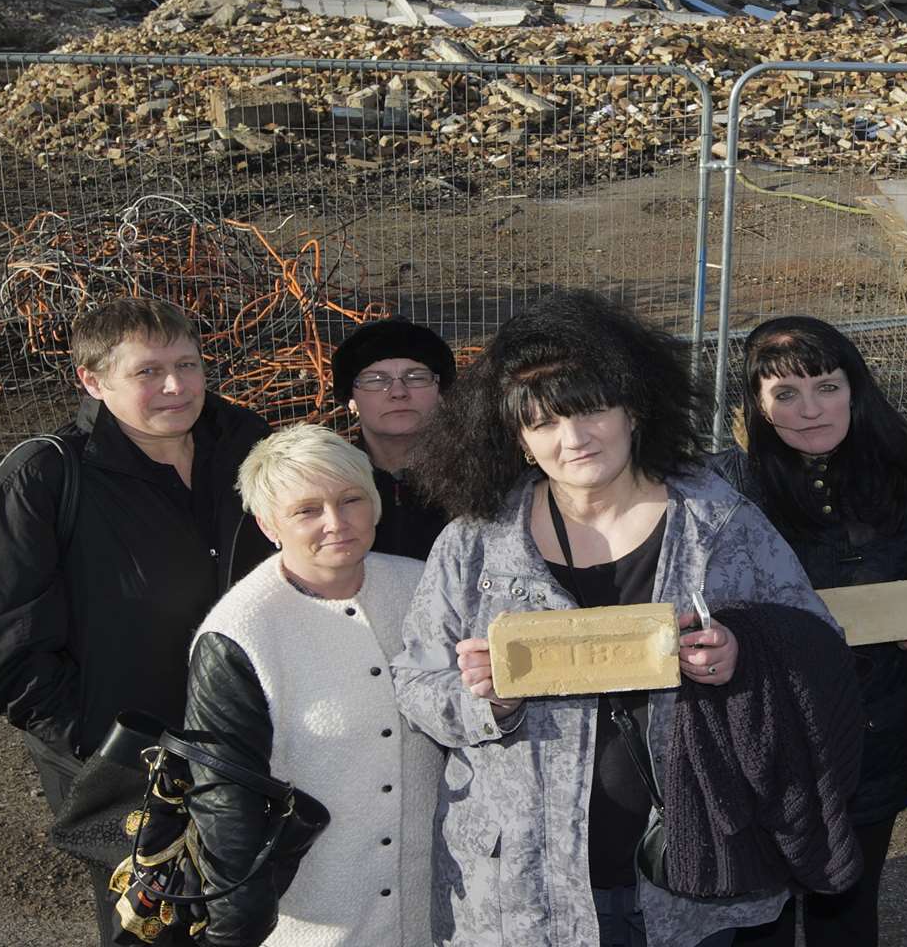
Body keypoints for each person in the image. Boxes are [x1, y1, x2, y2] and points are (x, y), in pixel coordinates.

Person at [392, 289, 849, 947]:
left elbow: (817, 645)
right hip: (524, 887)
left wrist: (740, 653)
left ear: (633, 408)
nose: (573, 439)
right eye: (543, 423)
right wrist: (485, 700)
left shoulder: (715, 524)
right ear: (517, 439)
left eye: (591, 410)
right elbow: (416, 682)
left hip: (689, 872)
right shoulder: (475, 544)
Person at [0, 297, 273, 943]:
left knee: (257, 913)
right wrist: (95, 743)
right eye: (148, 372)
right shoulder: (41, 477)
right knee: (152, 925)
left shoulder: (248, 445)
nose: (176, 386)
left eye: (188, 364)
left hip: (244, 738)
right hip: (125, 762)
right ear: (92, 380)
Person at [712, 316, 907, 947]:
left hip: (869, 732)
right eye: (785, 394)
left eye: (826, 386)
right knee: (753, 920)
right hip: (758, 737)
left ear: (855, 388)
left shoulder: (906, 479)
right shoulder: (720, 488)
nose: (811, 409)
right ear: (759, 407)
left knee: (846, 911)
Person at [183, 424, 444, 946]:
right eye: (307, 510)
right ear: (267, 523)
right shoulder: (240, 632)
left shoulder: (427, 585)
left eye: (351, 500)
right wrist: (234, 928)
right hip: (313, 917)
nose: (336, 523)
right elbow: (224, 802)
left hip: (435, 906)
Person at [330, 318, 456, 560]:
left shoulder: (480, 480)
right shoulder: (331, 483)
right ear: (350, 399)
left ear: (441, 393)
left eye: (416, 377)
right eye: (376, 380)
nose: (398, 392)